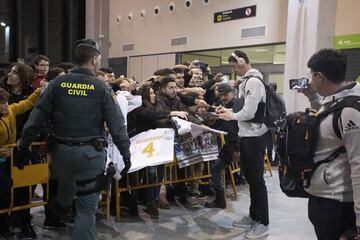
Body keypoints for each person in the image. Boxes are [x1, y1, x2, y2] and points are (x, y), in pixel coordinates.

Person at [17, 38, 131, 240]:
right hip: (89, 156)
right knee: (86, 211)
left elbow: (36, 118)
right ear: (94, 60)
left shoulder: (57, 84)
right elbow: (117, 126)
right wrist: (126, 153)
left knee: (66, 187)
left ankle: (62, 204)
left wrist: (23, 146)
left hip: (60, 155)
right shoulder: (102, 88)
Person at [300, 48, 360, 240]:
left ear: (320, 75)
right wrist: (311, 96)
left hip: (337, 202)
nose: (310, 80)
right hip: (325, 196)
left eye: (311, 75)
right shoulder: (336, 101)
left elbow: (359, 166)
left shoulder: (351, 111)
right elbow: (327, 119)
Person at [216, 50, 270, 239]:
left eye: (234, 64)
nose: (233, 68)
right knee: (251, 179)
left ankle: (263, 223)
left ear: (242, 61)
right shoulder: (246, 82)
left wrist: (231, 115)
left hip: (255, 137)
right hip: (247, 135)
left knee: (256, 181)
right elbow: (244, 111)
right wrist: (229, 111)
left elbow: (248, 113)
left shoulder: (254, 82)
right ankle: (254, 216)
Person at [204, 83, 239, 209]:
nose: (223, 97)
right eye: (221, 95)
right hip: (229, 144)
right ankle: (220, 200)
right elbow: (220, 124)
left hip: (236, 144)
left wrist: (237, 150)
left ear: (232, 93)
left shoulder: (237, 106)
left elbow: (239, 128)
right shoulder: (223, 106)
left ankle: (220, 200)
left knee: (216, 168)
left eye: (225, 95)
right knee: (216, 168)